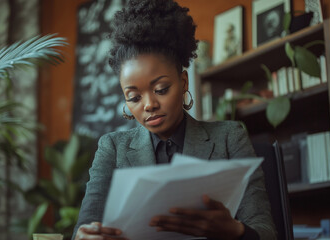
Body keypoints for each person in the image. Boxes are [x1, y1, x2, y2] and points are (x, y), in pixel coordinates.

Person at [72, 0, 276, 239]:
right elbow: (83, 228)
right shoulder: (112, 148)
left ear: (184, 82)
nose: (149, 105)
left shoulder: (229, 137)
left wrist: (235, 231)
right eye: (134, 97)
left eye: (161, 89)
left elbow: (266, 231)